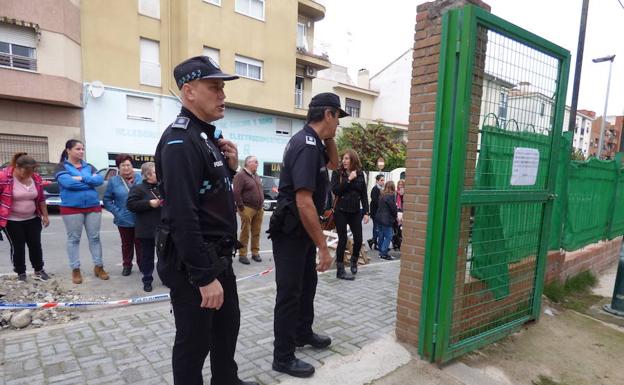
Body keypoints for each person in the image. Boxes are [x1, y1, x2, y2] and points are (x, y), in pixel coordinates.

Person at [154, 56, 258, 385]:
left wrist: (229, 167)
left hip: (219, 256)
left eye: (223, 88)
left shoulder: (205, 137)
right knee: (193, 343)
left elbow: (210, 196)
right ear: (189, 91)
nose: (222, 95)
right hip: (194, 264)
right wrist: (202, 277)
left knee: (226, 330)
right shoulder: (180, 140)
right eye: (214, 87)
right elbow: (183, 214)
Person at [267, 92, 342, 378]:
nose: (338, 124)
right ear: (328, 114)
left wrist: (329, 136)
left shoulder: (313, 142)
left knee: (306, 285)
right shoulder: (306, 145)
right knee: (289, 293)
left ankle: (302, 333)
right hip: (291, 230)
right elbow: (303, 201)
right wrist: (323, 247)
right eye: (337, 117)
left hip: (302, 231)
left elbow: (334, 164)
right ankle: (283, 356)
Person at [55, 139, 108, 284]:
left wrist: (81, 178)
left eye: (82, 149)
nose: (81, 151)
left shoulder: (89, 166)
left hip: (92, 206)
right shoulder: (61, 167)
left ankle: (99, 266)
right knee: (74, 239)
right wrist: (89, 183)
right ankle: (75, 269)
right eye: (78, 149)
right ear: (69, 150)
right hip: (71, 208)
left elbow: (99, 181)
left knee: (95, 238)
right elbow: (68, 183)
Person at [0, 153, 50, 281]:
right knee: (18, 246)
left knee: (35, 245)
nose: (29, 175)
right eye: (26, 172)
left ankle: (39, 270)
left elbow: (41, 199)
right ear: (17, 167)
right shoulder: (4, 177)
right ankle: (21, 272)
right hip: (12, 220)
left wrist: (45, 215)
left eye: (31, 171)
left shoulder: (36, 178)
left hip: (33, 218)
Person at [330, 149, 369, 280]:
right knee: (342, 240)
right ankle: (340, 270)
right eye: (343, 158)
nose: (344, 161)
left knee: (358, 239)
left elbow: (363, 194)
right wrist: (348, 179)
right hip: (341, 211)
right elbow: (336, 190)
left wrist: (367, 212)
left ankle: (354, 260)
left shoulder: (360, 174)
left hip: (355, 211)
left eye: (347, 158)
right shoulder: (337, 173)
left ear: (353, 160)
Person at [103, 154, 142, 276]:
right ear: (119, 167)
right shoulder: (114, 181)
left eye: (128, 165)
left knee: (141, 243)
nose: (126, 167)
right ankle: (127, 265)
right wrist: (117, 212)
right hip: (123, 218)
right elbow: (107, 200)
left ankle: (143, 265)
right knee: (126, 244)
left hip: (140, 218)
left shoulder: (140, 178)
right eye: (123, 165)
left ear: (132, 166)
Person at [126, 162, 162, 292]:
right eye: (156, 172)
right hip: (146, 229)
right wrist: (148, 204)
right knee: (147, 257)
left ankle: (165, 278)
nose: (159, 174)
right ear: (147, 175)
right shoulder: (138, 188)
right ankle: (147, 280)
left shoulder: (162, 187)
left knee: (164, 256)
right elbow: (131, 205)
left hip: (162, 229)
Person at [232, 155, 264, 265]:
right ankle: (242, 254)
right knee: (245, 232)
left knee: (256, 232)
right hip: (246, 208)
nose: (257, 164)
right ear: (248, 163)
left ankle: (255, 253)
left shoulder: (256, 175)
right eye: (255, 162)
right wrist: (241, 207)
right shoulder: (240, 175)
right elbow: (236, 192)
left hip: (259, 208)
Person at [376, 181, 398, 260]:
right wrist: (396, 216)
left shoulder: (382, 195)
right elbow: (393, 208)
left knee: (381, 235)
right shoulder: (391, 196)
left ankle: (380, 252)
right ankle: (384, 253)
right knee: (389, 236)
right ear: (392, 187)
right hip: (387, 219)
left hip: (379, 218)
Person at [367, 174, 385, 250]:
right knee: (376, 227)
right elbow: (374, 200)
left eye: (383, 180)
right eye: (381, 180)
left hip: (380, 212)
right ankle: (375, 243)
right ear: (377, 181)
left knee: (378, 227)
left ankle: (373, 241)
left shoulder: (382, 188)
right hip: (375, 212)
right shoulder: (375, 189)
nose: (383, 182)